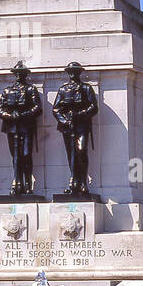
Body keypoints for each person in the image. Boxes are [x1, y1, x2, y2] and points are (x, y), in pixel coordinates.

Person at [0, 61, 42, 195]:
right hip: (12, 127)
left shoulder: (30, 89)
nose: (19, 76)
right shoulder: (7, 90)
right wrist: (10, 115)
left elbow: (37, 107)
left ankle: (27, 183)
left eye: (21, 74)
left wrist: (23, 115)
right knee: (15, 156)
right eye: (17, 74)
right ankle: (17, 182)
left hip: (26, 126)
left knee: (26, 154)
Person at [53, 61, 99, 196]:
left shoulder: (86, 88)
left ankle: (83, 182)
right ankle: (74, 181)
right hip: (68, 127)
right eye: (71, 72)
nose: (73, 74)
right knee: (71, 154)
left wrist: (79, 115)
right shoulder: (63, 89)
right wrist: (65, 120)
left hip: (82, 126)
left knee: (81, 151)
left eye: (75, 71)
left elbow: (93, 107)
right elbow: (56, 109)